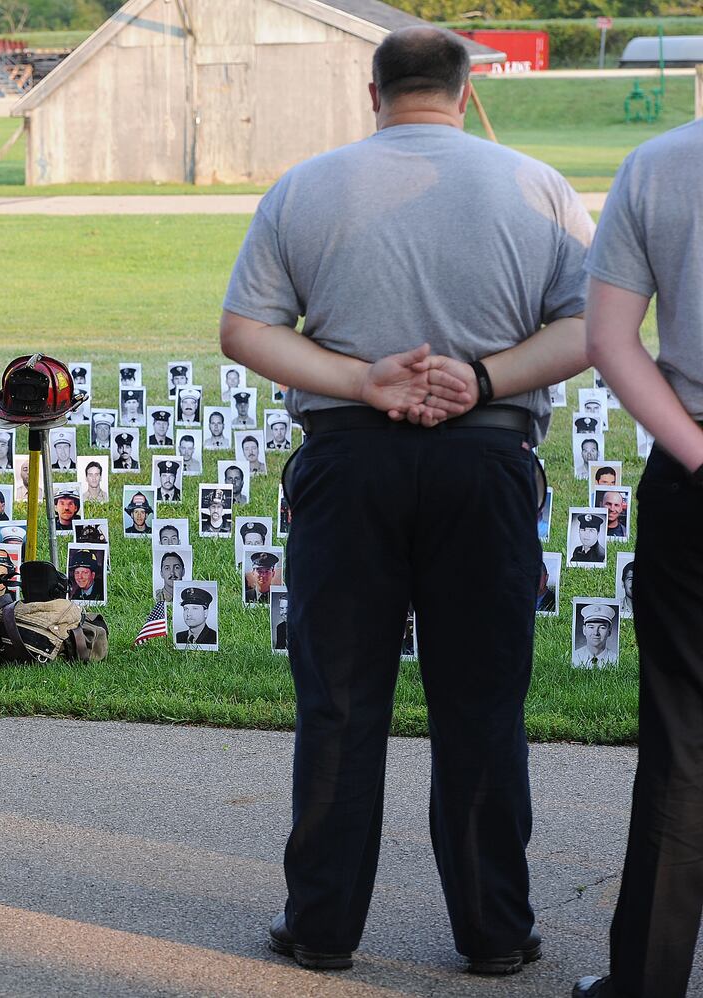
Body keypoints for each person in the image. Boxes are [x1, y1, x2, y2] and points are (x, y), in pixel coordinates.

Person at [221, 27, 591, 975]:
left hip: (350, 462)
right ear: (465, 95)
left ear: (372, 90)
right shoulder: (538, 186)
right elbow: (592, 327)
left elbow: (245, 331)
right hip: (488, 458)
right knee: (481, 704)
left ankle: (322, 927)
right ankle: (495, 933)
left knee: (341, 703)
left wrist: (361, 381)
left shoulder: (306, 184)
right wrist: (485, 375)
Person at [575, 103, 703, 998]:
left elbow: (611, 343)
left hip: (691, 460)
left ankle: (647, 983)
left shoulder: (659, 164)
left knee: (683, 737)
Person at [571, 602, 616, 668]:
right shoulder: (576, 656)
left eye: (602, 627)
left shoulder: (614, 659)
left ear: (609, 631)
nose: (596, 633)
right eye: (591, 627)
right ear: (584, 630)